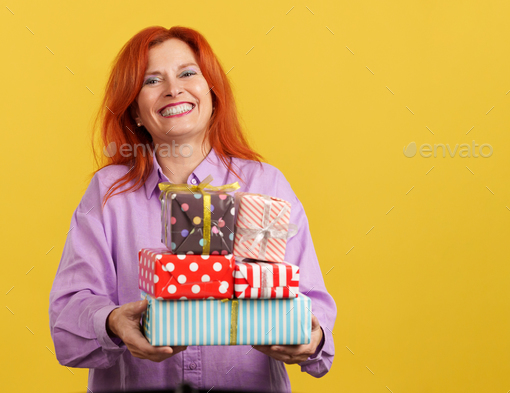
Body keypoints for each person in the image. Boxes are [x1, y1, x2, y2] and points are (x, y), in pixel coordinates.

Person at [48, 26, 336, 392]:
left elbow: (312, 300)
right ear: (134, 110)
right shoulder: (108, 193)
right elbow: (68, 312)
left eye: (187, 73)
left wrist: (309, 333)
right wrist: (111, 322)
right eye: (152, 80)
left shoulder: (267, 184)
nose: (173, 89)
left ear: (212, 93)